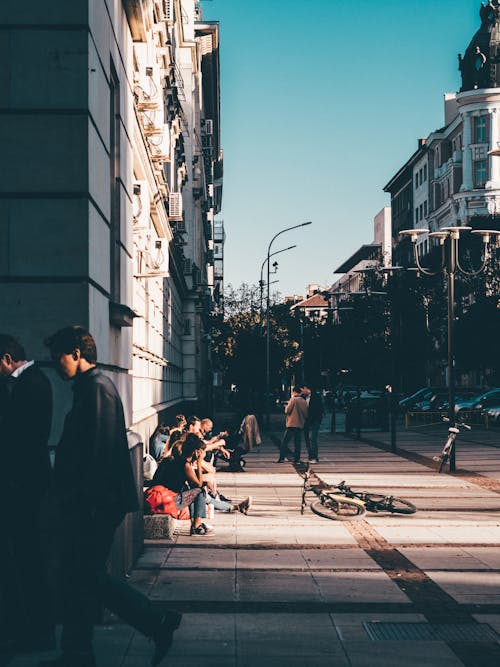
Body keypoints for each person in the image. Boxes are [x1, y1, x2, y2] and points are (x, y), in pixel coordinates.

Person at [43, 326, 181, 667]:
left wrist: (85, 504)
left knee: (85, 576)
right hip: (91, 504)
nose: (54, 364)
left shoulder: (97, 390)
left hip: (94, 507)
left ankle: (155, 621)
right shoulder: (90, 388)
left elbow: (97, 454)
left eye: (58, 356)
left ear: (76, 353)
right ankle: (78, 652)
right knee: (79, 577)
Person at [0, 334, 54, 653]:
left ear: (7, 359)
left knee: (26, 559)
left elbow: (21, 440)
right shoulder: (33, 381)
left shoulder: (28, 385)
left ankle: (36, 630)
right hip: (26, 484)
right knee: (25, 558)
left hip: (23, 486)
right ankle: (34, 628)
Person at [276, 386, 308, 463]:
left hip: (291, 424)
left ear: (294, 392)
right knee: (297, 443)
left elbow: (287, 411)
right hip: (300, 424)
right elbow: (306, 414)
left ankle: (281, 458)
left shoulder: (293, 399)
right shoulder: (304, 401)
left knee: (285, 442)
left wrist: (286, 406)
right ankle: (297, 459)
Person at [301, 383, 324, 463]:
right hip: (306, 421)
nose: (302, 391)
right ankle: (310, 456)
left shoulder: (316, 397)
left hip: (315, 420)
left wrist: (316, 419)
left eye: (303, 389)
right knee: (307, 439)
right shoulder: (303, 397)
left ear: (307, 388)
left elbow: (319, 409)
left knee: (313, 438)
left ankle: (315, 457)